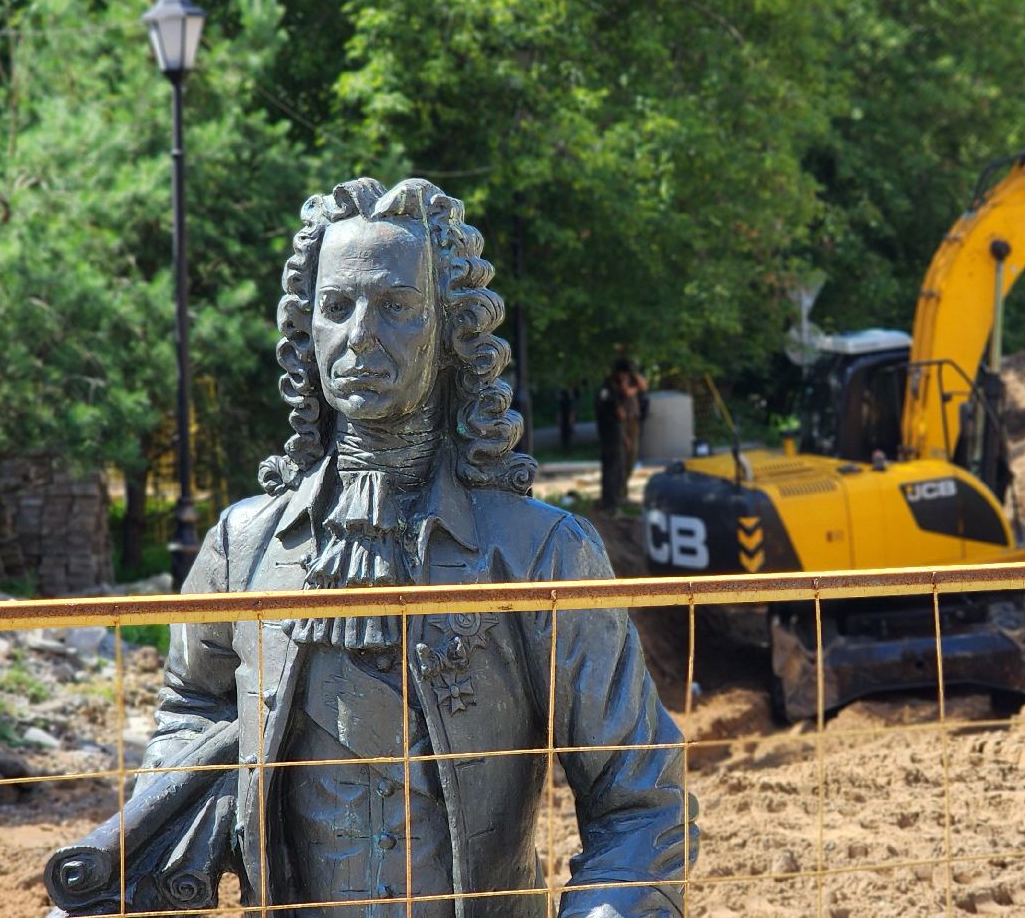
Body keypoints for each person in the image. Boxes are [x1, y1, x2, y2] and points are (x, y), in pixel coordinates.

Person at [142, 178, 694, 918]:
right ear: (306, 329)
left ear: (450, 329)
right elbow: (192, 707)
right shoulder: (244, 545)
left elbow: (641, 802)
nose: (360, 336)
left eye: (396, 307)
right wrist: (184, 821)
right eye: (337, 307)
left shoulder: (541, 554)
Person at [593, 360, 645, 511]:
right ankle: (611, 502)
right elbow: (618, 412)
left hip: (616, 430)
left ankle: (616, 497)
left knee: (620, 464)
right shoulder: (610, 388)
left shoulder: (611, 387)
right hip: (611, 431)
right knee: (613, 465)